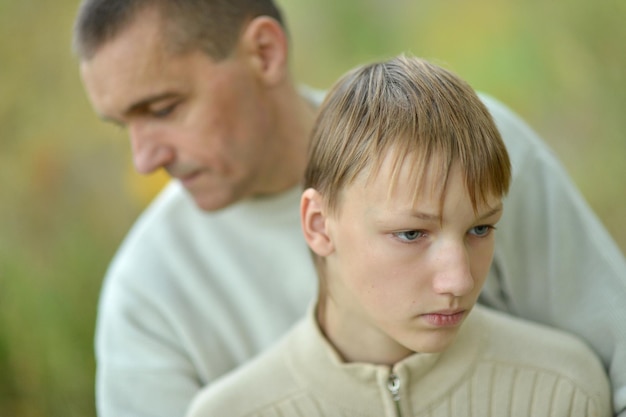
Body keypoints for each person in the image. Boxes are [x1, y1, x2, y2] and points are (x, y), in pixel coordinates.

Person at [73, 1, 626, 416]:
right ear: (317, 226)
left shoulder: (477, 148)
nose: (144, 159)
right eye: (126, 125)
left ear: (264, 52)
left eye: (165, 109)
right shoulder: (145, 295)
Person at [186, 53, 611, 417]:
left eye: (479, 228)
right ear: (318, 223)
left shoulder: (564, 390)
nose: (459, 280)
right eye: (411, 233)